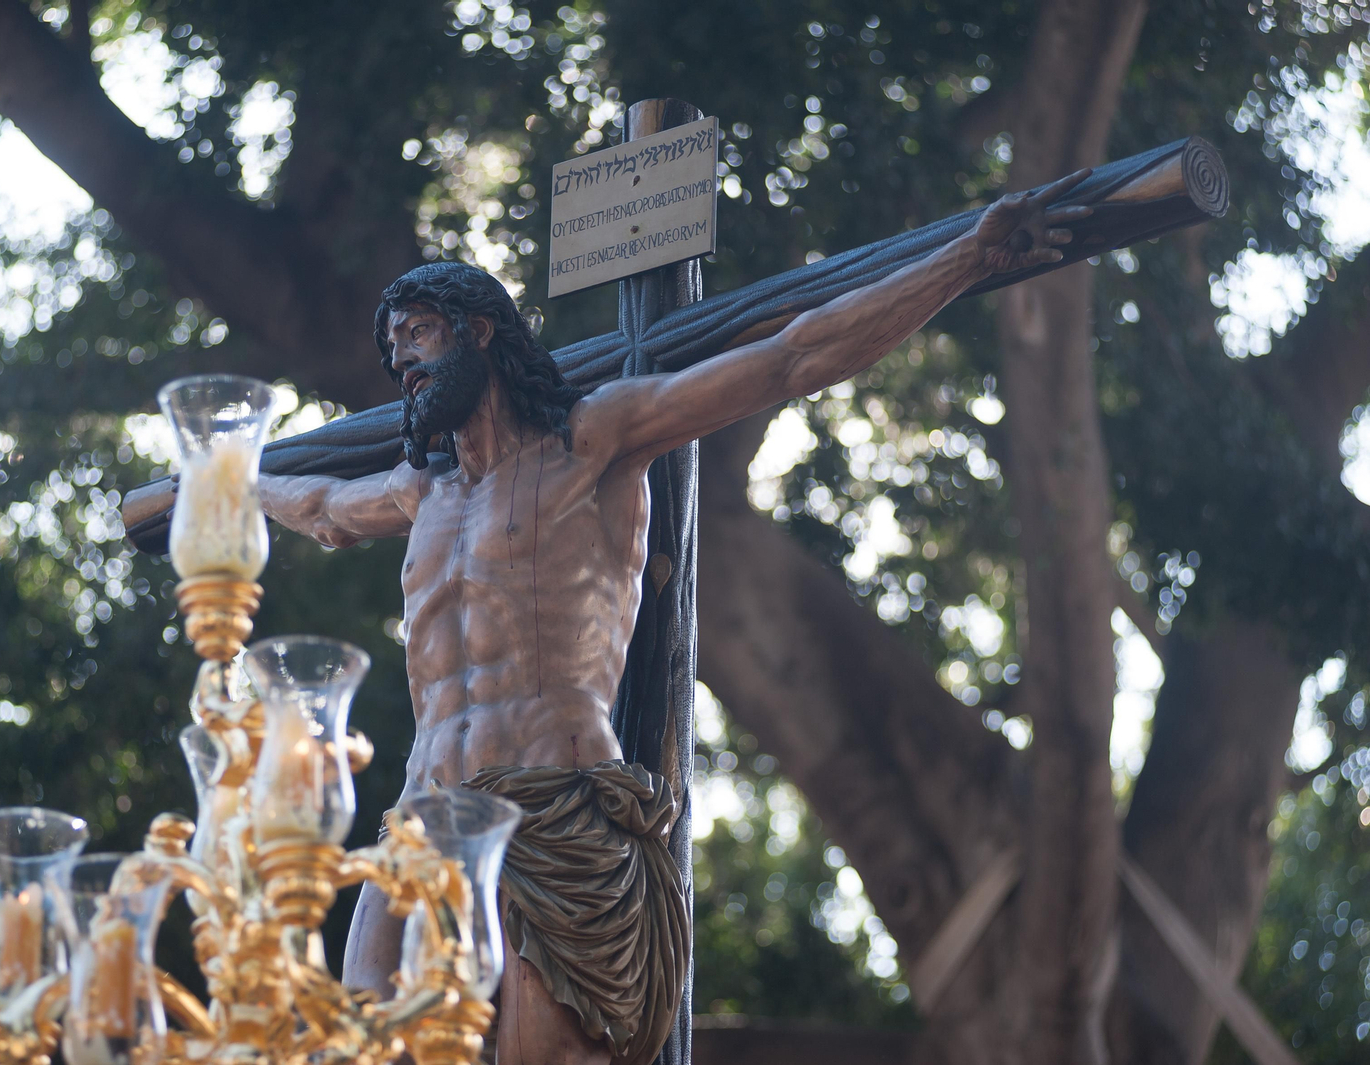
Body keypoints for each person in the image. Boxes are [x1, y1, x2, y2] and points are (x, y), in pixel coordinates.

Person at [256, 172, 1091, 1065]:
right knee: (361, 1046)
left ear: (479, 330)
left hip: (551, 811)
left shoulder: (590, 442)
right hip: (419, 818)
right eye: (393, 350)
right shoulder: (419, 492)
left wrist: (966, 259)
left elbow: (794, 358)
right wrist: (220, 474)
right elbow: (318, 508)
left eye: (418, 333)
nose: (403, 363)